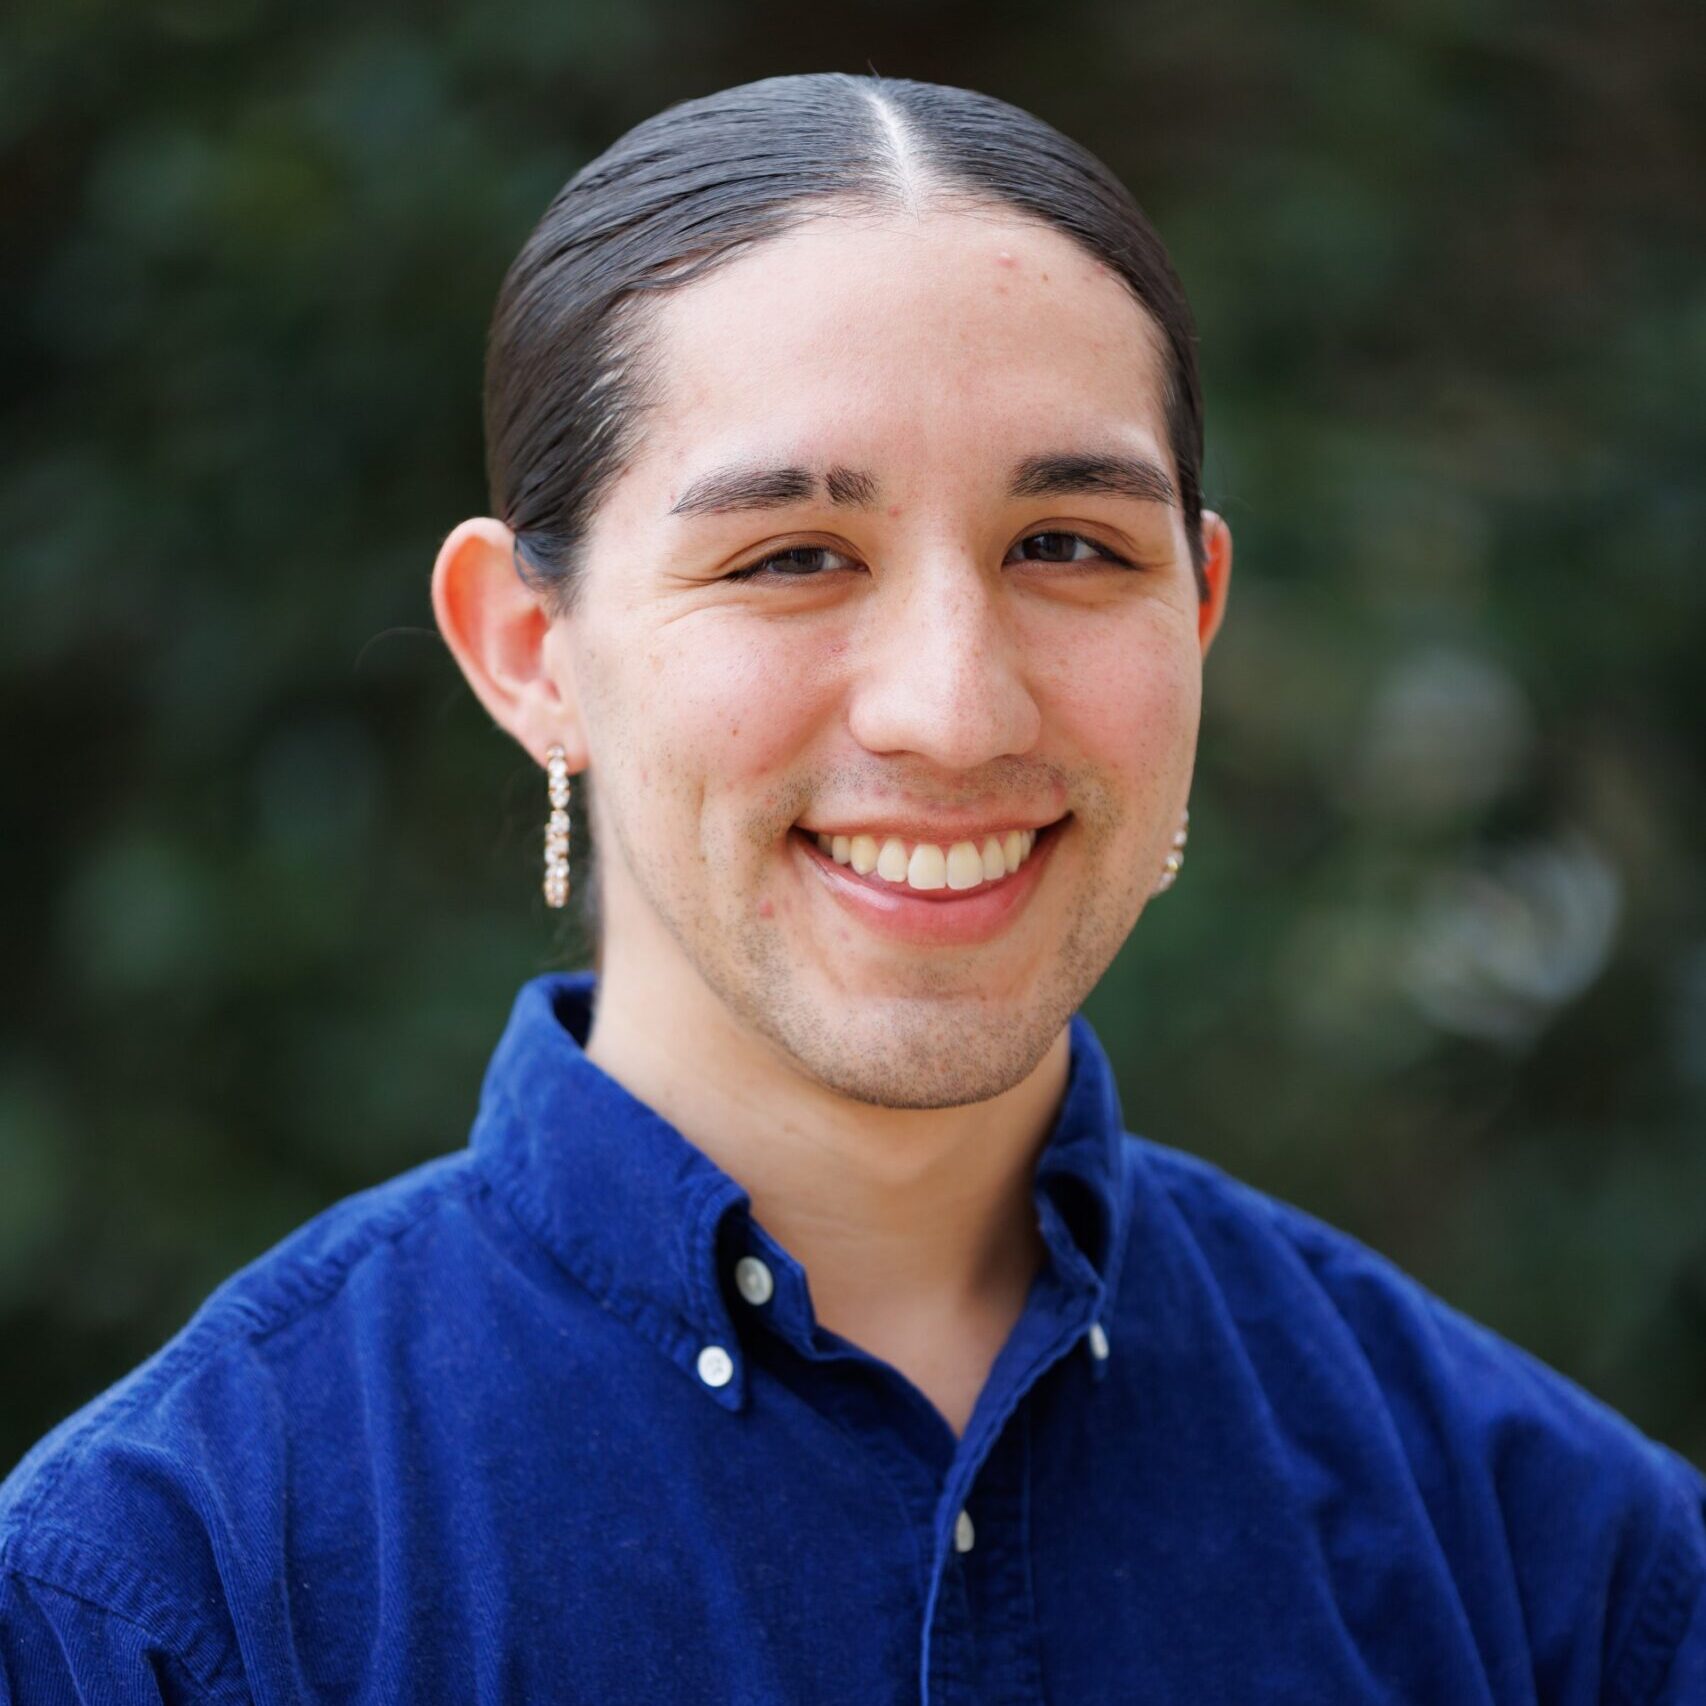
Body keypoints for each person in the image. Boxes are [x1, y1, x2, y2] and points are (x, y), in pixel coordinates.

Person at [1, 70, 1700, 1704]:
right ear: (531, 651)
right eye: (791, 557)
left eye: (1066, 547)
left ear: (1194, 611)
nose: (953, 709)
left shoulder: (1563, 1566)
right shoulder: (161, 1596)